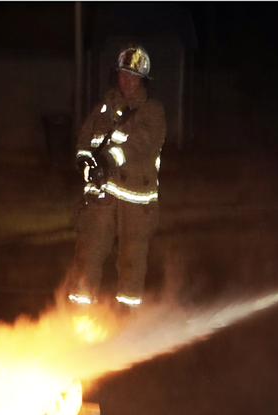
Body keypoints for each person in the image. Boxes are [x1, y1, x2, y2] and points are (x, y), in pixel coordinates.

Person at [61, 44, 166, 311]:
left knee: (132, 261)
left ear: (143, 79)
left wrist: (106, 161)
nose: (126, 80)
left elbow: (141, 144)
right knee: (88, 254)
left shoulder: (153, 112)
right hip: (101, 196)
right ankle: (79, 318)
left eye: (132, 75)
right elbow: (85, 139)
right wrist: (85, 161)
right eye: (122, 74)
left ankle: (125, 318)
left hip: (135, 200)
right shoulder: (104, 108)